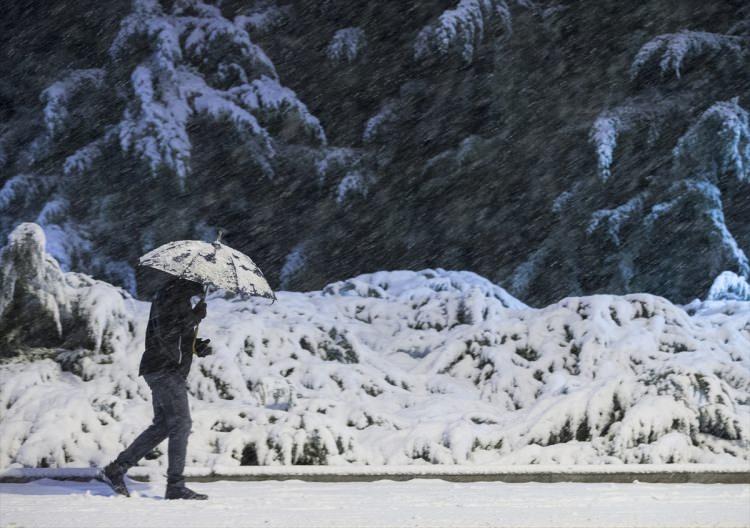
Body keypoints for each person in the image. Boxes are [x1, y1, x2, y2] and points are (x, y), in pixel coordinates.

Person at [103, 277, 213, 500]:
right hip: (164, 370)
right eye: (203, 281)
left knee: (164, 424)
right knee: (181, 423)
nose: (204, 286)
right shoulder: (171, 297)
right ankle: (175, 485)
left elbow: (176, 336)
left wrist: (195, 345)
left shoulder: (176, 297)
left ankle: (116, 469)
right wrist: (194, 317)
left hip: (162, 369)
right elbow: (167, 332)